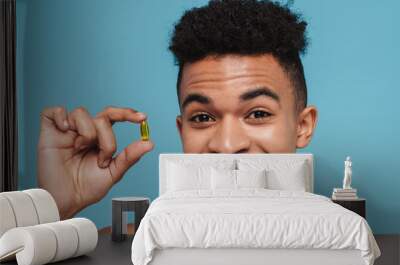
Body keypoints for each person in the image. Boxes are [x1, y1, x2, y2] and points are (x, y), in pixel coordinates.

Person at [38, 0, 318, 219]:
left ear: (302, 126)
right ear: (182, 130)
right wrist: (56, 207)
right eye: (202, 117)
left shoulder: (346, 245)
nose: (228, 146)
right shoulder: (139, 242)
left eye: (258, 114)